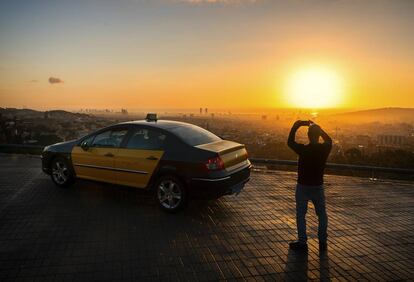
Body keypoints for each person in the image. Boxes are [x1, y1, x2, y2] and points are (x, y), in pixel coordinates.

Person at [287, 120, 332, 252]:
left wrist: (296, 125)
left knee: (301, 215)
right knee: (322, 214)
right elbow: (329, 139)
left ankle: (302, 243)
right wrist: (318, 127)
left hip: (303, 186)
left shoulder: (303, 150)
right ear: (318, 135)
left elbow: (290, 142)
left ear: (308, 135)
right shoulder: (325, 149)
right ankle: (322, 241)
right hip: (318, 186)